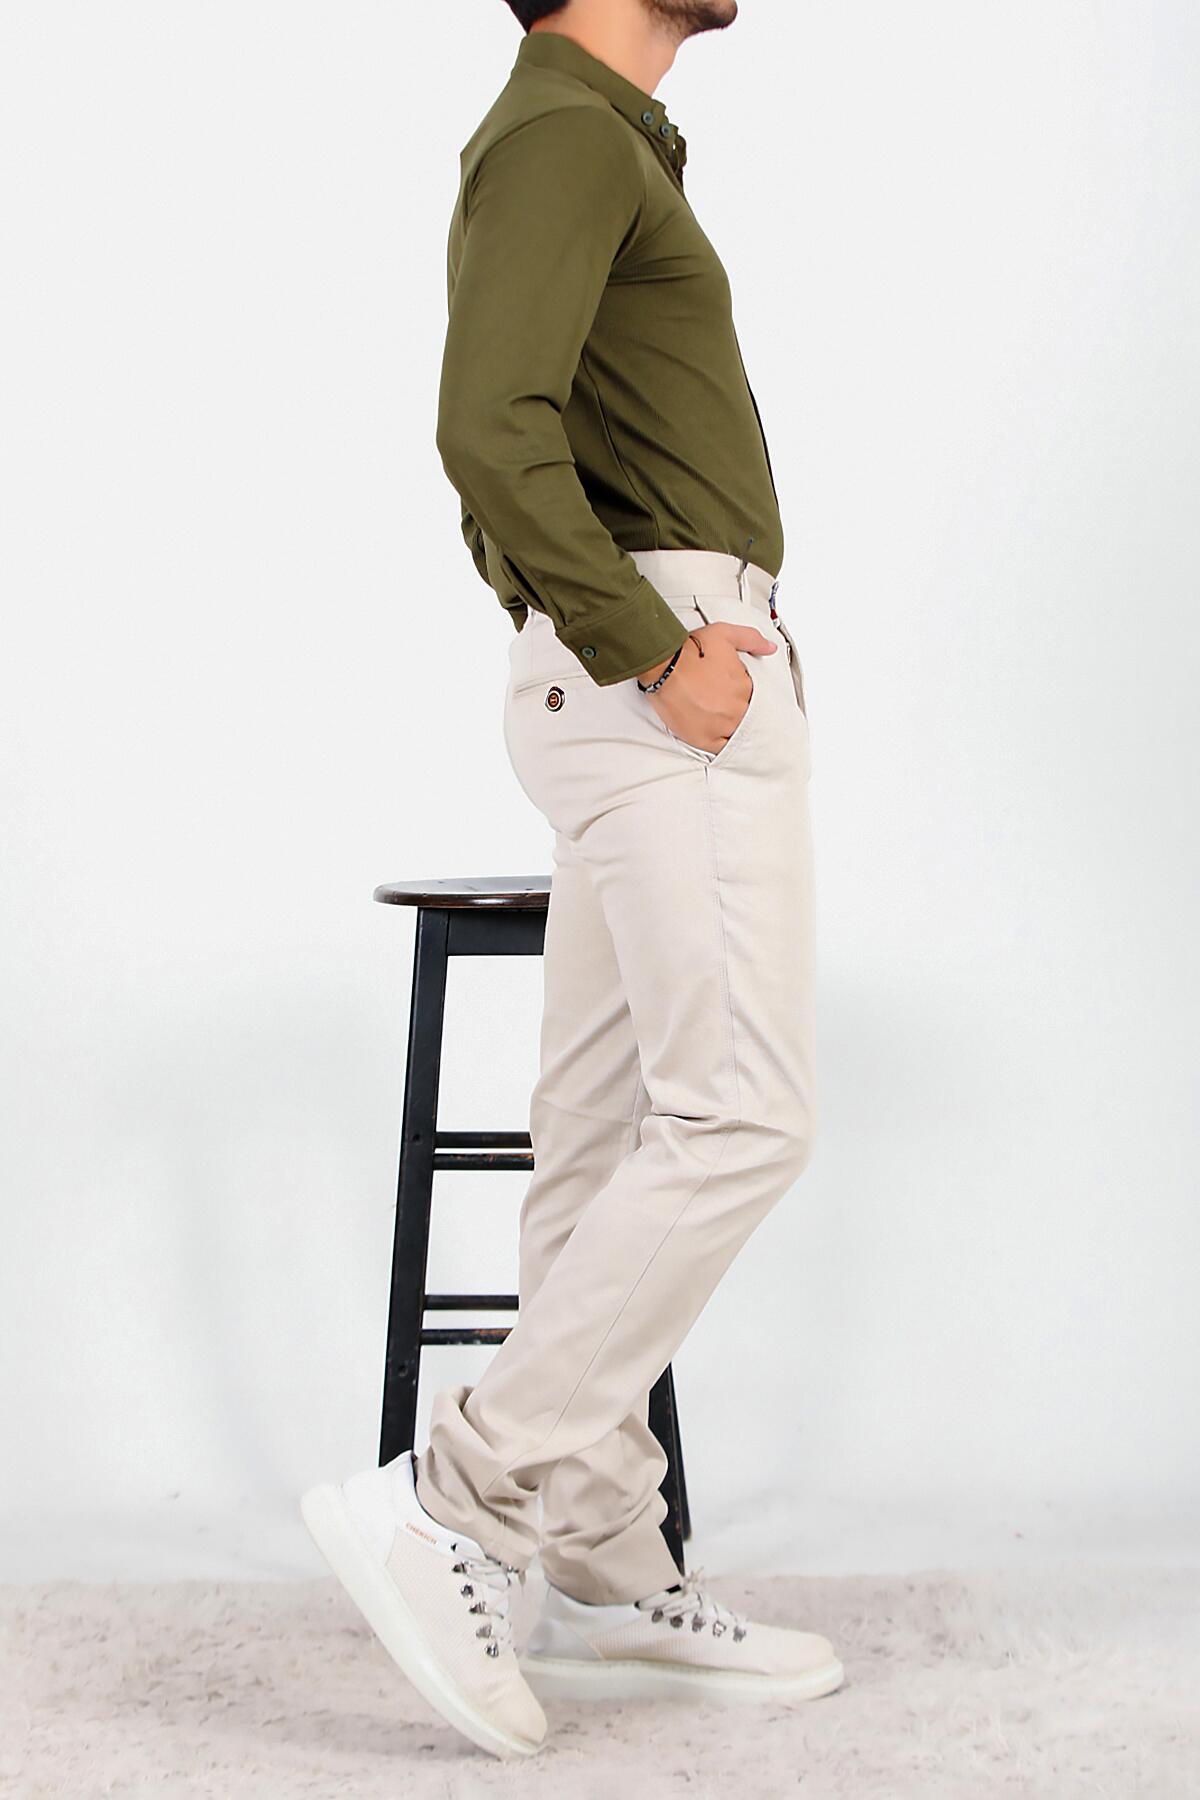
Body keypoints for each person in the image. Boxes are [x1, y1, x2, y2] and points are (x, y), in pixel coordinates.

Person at [301, 0, 842, 1760]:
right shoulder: (563, 134)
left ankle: (603, 1550)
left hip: (638, 670)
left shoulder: (596, 138)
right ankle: (460, 1495)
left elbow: (511, 435)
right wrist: (645, 642)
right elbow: (487, 423)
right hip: (660, 669)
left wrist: (604, 638)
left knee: (603, 1130)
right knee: (744, 1113)